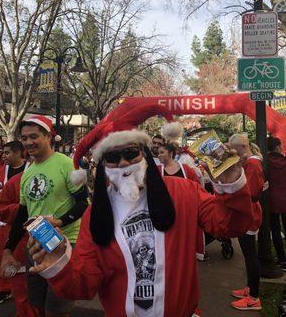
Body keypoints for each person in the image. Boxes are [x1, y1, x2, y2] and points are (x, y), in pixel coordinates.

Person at [27, 120, 255, 317]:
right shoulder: (94, 215)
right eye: (113, 157)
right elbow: (84, 285)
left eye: (131, 153)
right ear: (103, 165)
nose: (124, 163)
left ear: (144, 155)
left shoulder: (184, 191)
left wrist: (233, 183)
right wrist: (59, 265)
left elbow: (230, 226)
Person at [1, 115, 88, 317]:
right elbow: (23, 212)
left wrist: (58, 222)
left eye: (34, 136)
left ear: (48, 136)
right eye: (24, 138)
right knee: (37, 304)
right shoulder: (27, 173)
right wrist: (8, 249)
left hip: (64, 245)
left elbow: (84, 203)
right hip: (36, 245)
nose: (29, 142)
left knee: (57, 310)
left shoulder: (66, 164)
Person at [0, 140, 28, 305]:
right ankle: (4, 289)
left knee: (23, 256)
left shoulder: (30, 169)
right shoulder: (3, 170)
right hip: (4, 222)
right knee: (3, 255)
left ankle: (25, 290)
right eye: (2, 153)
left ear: (18, 153)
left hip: (25, 222)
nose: (3, 156)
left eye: (7, 153)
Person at [0, 172, 39, 317]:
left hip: (50, 242)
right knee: (22, 288)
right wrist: (23, 210)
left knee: (52, 292)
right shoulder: (16, 179)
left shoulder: (58, 171)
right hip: (20, 243)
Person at [228, 134, 264, 311]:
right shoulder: (250, 163)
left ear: (241, 147)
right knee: (248, 255)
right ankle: (250, 289)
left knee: (250, 256)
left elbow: (252, 192)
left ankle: (253, 298)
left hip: (250, 215)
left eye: (233, 148)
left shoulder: (253, 164)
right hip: (247, 213)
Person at [266, 136, 286, 271]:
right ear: (278, 147)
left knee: (276, 231)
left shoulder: (265, 162)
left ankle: (282, 260)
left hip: (271, 200)